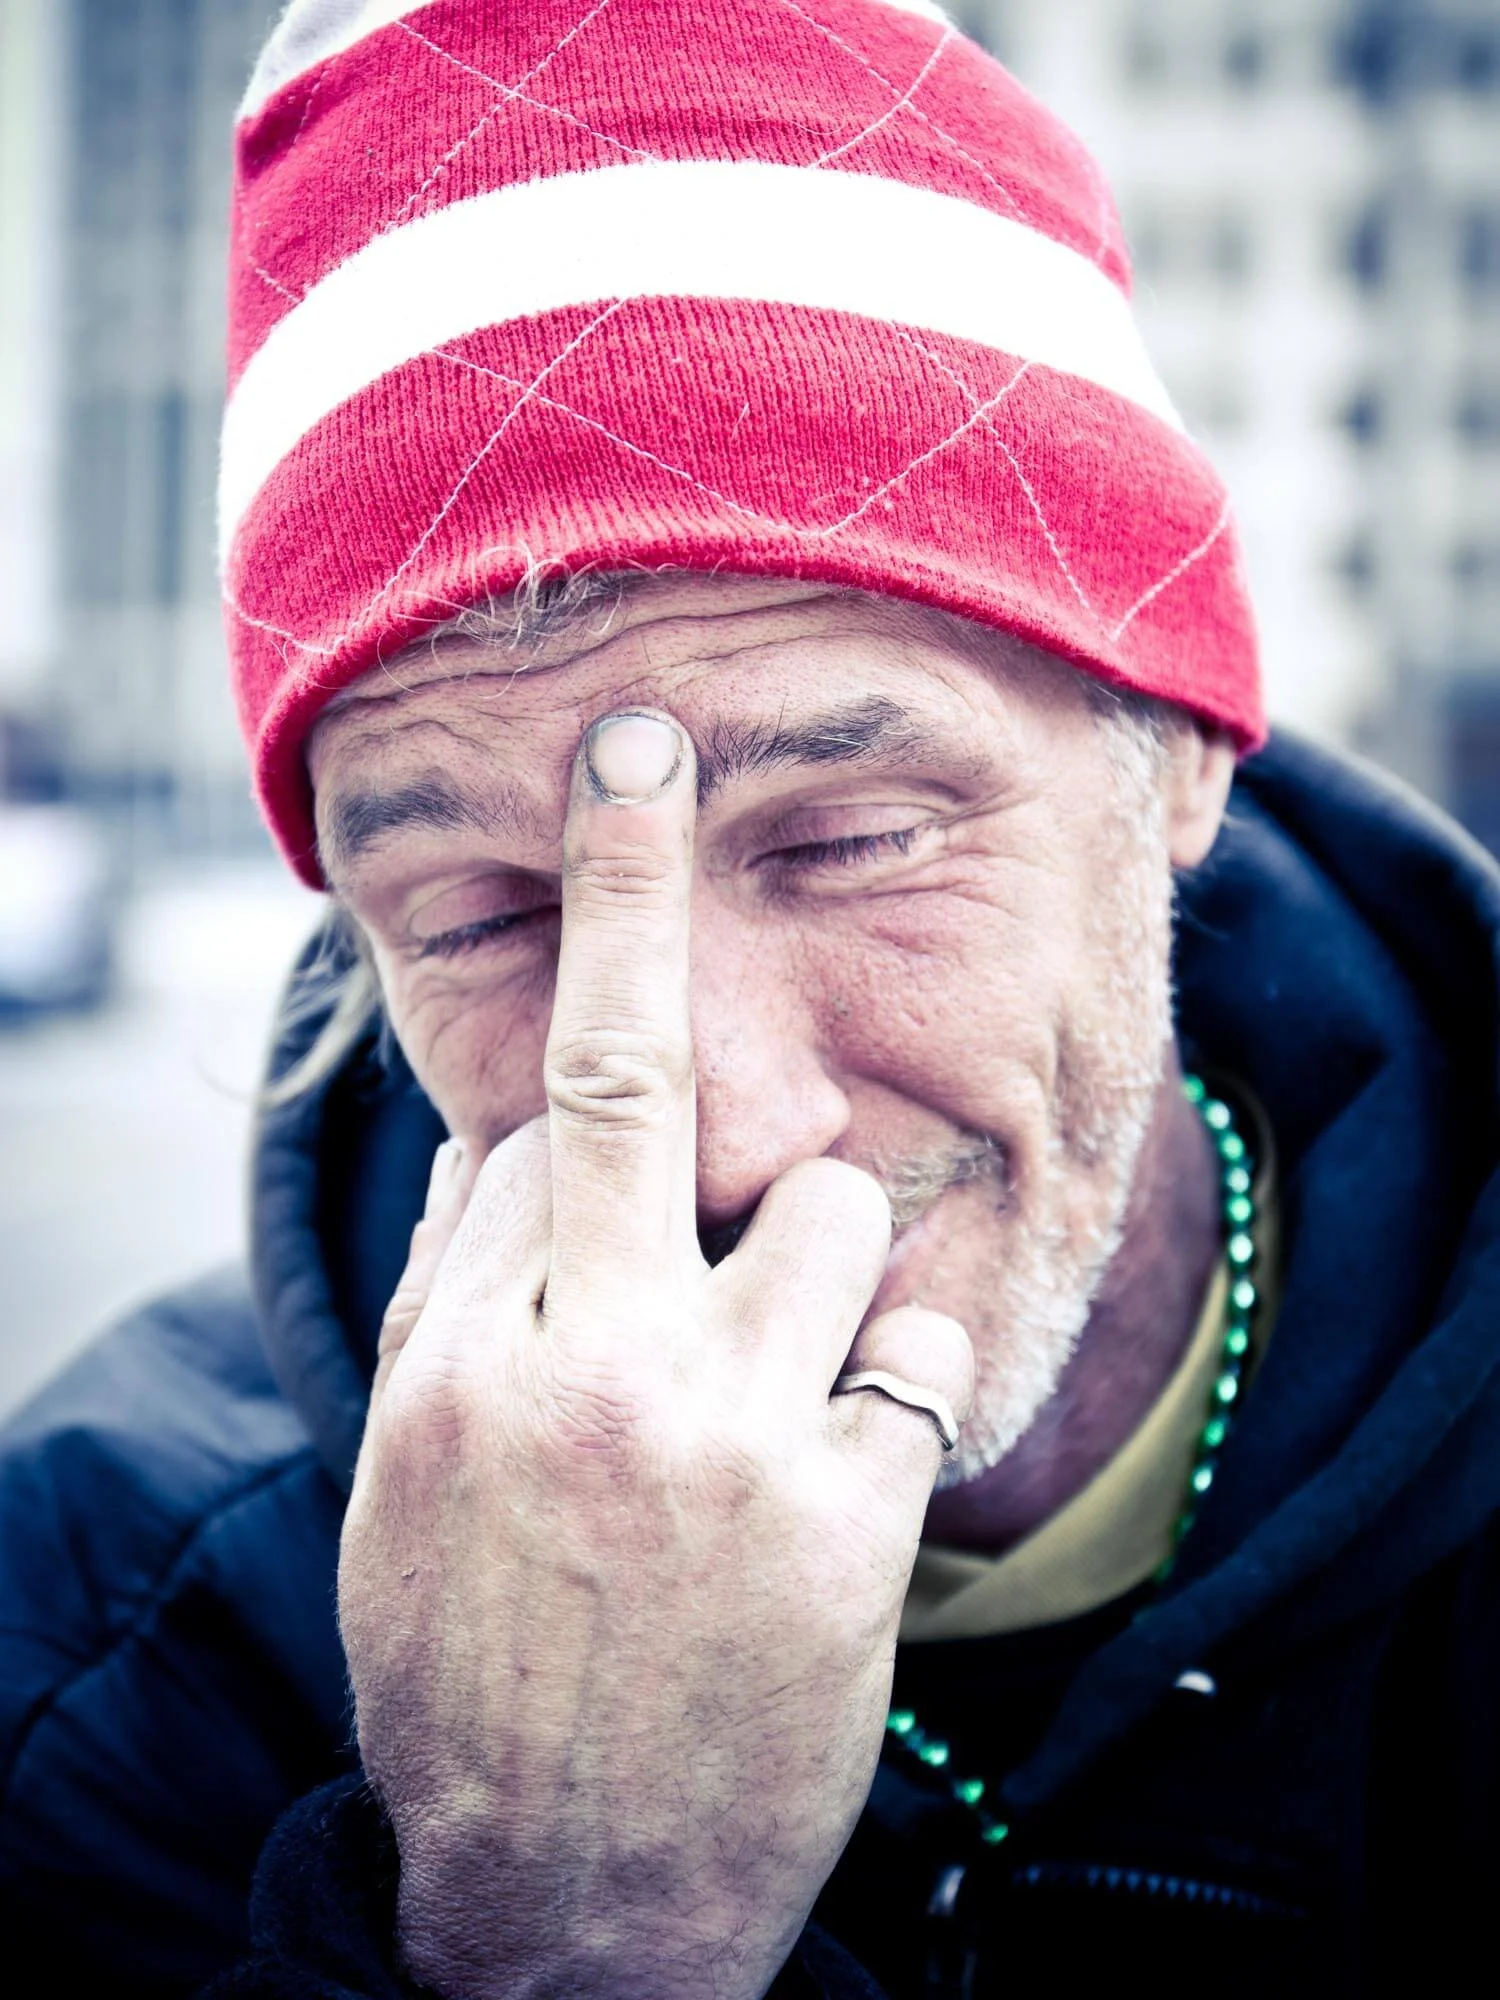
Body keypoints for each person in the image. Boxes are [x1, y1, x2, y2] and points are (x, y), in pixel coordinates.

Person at [3, 2, 1499, 1994]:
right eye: (477, 912)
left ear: (1183, 755)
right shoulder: (108, 1630)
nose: (713, 1119)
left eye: (856, 835)